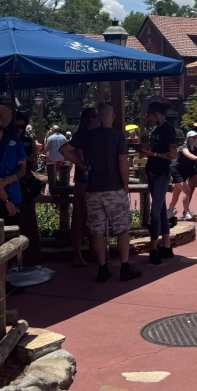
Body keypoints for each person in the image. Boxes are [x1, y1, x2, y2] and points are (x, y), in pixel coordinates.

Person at [61, 102, 141, 282]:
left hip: (93, 189)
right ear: (112, 116)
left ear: (98, 116)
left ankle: (102, 267)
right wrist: (125, 186)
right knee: (122, 229)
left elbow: (64, 149)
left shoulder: (87, 136)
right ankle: (124, 266)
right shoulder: (118, 137)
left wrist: (81, 165)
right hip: (114, 188)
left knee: (96, 230)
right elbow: (123, 165)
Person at [138, 96, 177, 264]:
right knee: (160, 210)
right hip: (152, 172)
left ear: (156, 113)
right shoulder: (155, 130)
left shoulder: (168, 129)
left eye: (149, 114)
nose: (147, 117)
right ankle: (167, 246)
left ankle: (153, 247)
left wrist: (152, 154)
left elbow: (173, 155)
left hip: (161, 173)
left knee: (154, 213)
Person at [13, 111, 43, 267]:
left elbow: (35, 166)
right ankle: (12, 258)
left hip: (25, 184)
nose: (19, 129)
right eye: (16, 126)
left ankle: (31, 257)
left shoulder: (28, 141)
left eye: (22, 126)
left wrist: (30, 160)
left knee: (28, 220)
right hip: (10, 184)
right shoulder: (6, 141)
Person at [70, 107, 99, 267]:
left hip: (95, 180)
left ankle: (93, 250)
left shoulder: (96, 135)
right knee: (80, 215)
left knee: (93, 216)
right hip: (84, 181)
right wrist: (83, 165)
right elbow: (77, 155)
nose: (98, 119)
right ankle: (77, 254)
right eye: (95, 116)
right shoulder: (81, 137)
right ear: (88, 120)